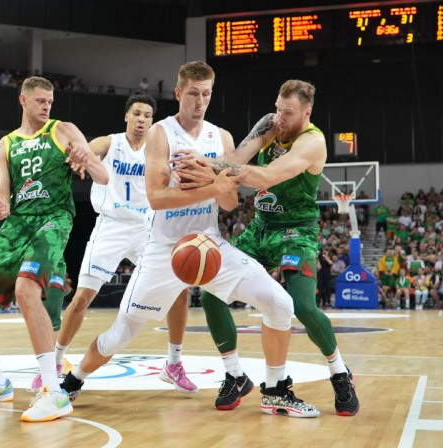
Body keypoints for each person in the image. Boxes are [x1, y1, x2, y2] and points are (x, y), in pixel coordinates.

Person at [60, 61, 319, 418]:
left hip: (208, 246)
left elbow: (228, 203)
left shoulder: (221, 137)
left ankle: (275, 389)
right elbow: (156, 198)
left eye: (207, 94)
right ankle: (72, 381)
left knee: (280, 304)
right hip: (164, 251)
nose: (200, 102)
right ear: (180, 93)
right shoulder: (161, 135)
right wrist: (211, 186)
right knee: (122, 334)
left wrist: (217, 185)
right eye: (194, 94)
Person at [198, 79, 359, 416]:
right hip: (261, 228)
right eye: (277, 108)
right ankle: (235, 375)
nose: (280, 118)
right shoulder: (271, 125)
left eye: (288, 113)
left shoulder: (312, 142)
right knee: (210, 291)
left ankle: (339, 372)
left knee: (301, 304)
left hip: (295, 232)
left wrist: (211, 165)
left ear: (306, 113)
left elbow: (267, 176)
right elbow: (237, 157)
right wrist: (209, 166)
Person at [0, 76, 108, 423]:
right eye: (40, 101)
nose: (46, 106)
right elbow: (4, 197)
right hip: (17, 224)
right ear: (23, 100)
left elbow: (103, 177)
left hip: (53, 218)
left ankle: (54, 392)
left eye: (50, 102)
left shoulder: (64, 129)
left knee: (27, 289)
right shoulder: (4, 145)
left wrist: (87, 156)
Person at [52, 94, 197, 393]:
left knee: (181, 286)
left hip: (147, 227)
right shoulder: (111, 142)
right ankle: (56, 361)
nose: (142, 119)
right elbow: (91, 149)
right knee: (81, 298)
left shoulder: (159, 151)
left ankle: (173, 363)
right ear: (127, 117)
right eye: (137, 114)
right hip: (112, 226)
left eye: (147, 115)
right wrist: (82, 154)